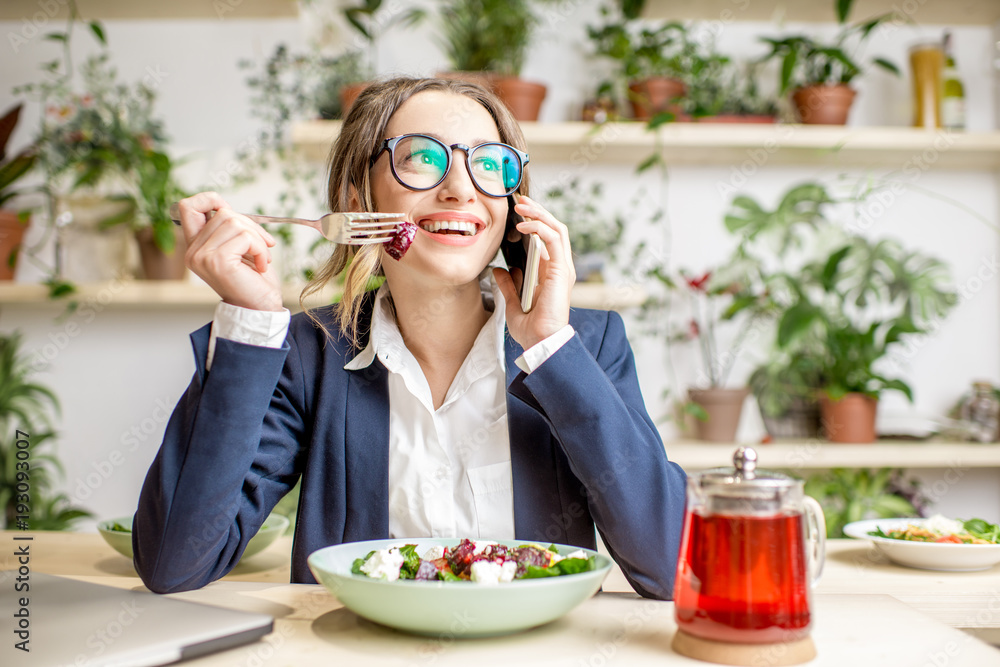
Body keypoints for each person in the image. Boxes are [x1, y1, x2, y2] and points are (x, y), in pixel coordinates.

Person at [133, 76, 686, 599]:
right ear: (356, 200)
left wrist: (549, 347)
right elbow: (174, 564)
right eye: (423, 157)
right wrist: (249, 319)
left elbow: (669, 566)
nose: (460, 189)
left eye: (488, 165)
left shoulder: (582, 345)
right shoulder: (308, 355)